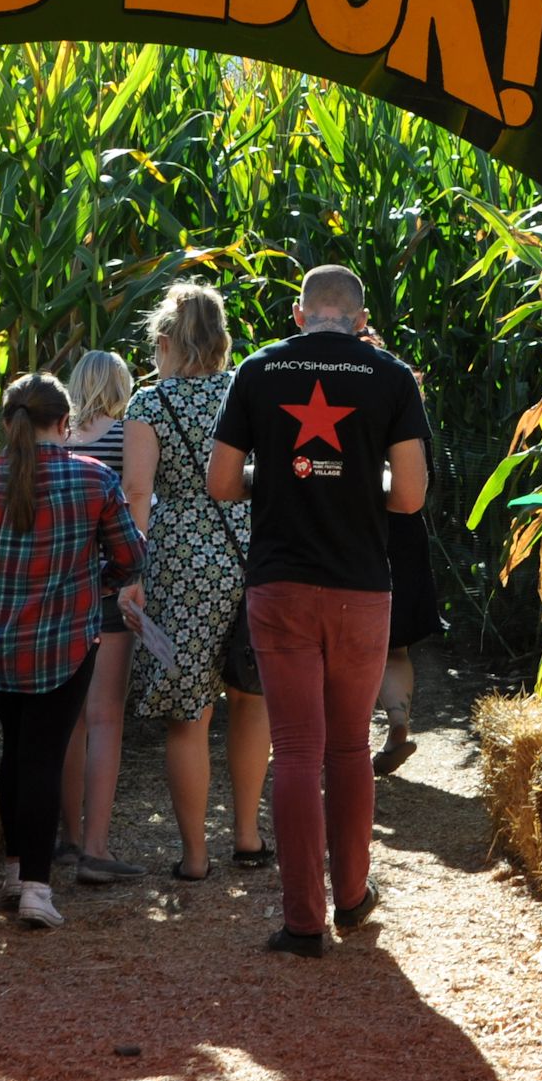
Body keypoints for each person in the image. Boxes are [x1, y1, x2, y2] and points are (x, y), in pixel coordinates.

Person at [209, 265, 429, 957]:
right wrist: (361, 477)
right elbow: (411, 497)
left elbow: (220, 482)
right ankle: (354, 896)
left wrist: (272, 474)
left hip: (280, 584)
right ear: (359, 319)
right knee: (348, 747)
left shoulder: (259, 368)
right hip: (361, 584)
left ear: (300, 314)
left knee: (296, 750)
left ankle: (304, 922)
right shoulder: (389, 375)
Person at [0, 372, 143, 931]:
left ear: (7, 424)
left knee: (18, 750)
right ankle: (35, 887)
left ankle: (12, 871)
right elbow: (130, 555)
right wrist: (101, 580)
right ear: (64, 422)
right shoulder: (94, 479)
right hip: (63, 642)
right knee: (43, 756)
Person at [125, 282, 273, 881]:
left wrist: (130, 570)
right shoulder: (249, 388)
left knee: (188, 715)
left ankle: (193, 856)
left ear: (165, 341)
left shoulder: (149, 405)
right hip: (250, 549)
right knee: (251, 698)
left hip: (180, 560)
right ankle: (247, 836)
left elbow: (137, 493)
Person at [57, 349, 146, 883]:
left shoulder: (58, 440)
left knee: (68, 718)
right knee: (105, 717)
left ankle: (67, 838)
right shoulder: (131, 433)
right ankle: (97, 846)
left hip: (61, 592)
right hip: (112, 586)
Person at [357, 324, 441, 778]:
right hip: (405, 532)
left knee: (348, 648)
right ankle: (398, 723)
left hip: (360, 532)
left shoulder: (343, 393)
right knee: (396, 647)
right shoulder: (406, 395)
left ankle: (346, 746)